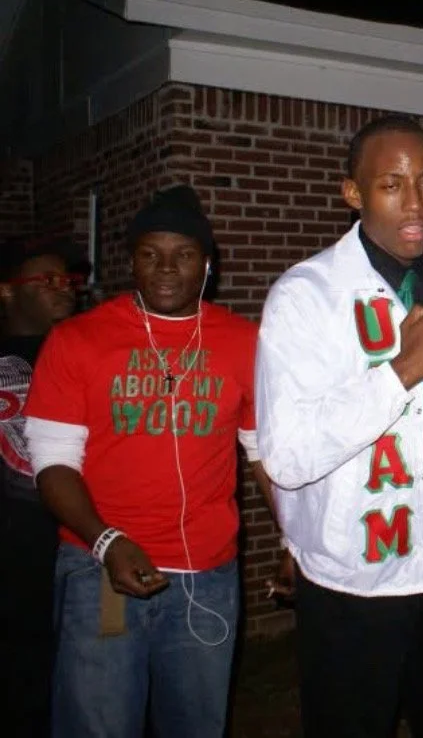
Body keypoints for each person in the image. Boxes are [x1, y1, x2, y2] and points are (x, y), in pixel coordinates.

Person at [255, 115, 423, 738]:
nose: (416, 203)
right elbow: (286, 455)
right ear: (353, 193)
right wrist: (402, 371)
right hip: (355, 579)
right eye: (391, 184)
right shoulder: (306, 295)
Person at [23, 186, 261, 738]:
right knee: (98, 726)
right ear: (131, 259)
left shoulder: (245, 342)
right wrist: (107, 542)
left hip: (208, 577)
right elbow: (53, 465)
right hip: (100, 572)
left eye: (183, 254)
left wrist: (298, 543)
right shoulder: (77, 339)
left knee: (197, 726)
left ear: (208, 263)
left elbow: (263, 456)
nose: (166, 268)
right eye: (150, 254)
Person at [0, 238, 81, 737]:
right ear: (7, 293)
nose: (65, 289)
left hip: (75, 545)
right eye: (47, 281)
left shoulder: (84, 351)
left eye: (68, 280)